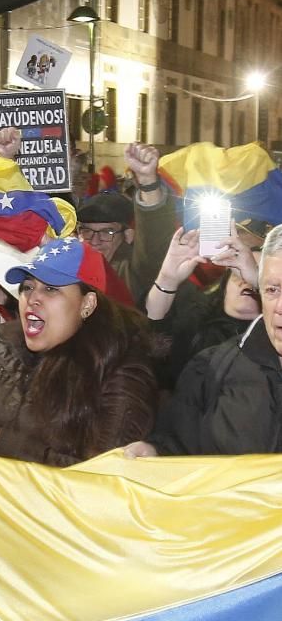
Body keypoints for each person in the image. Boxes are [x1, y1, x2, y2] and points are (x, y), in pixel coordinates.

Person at [0, 237, 157, 465]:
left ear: (87, 304)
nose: (32, 298)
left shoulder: (120, 368)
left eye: (50, 289)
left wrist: (5, 447)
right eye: (28, 287)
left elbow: (104, 472)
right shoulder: (8, 346)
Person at [127, 223, 282, 457]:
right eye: (273, 290)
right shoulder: (212, 367)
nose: (280, 306)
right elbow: (180, 443)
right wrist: (155, 452)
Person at [146, 225, 260, 390]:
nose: (245, 277)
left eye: (256, 270)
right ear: (224, 285)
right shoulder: (195, 322)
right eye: (237, 270)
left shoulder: (272, 339)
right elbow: (149, 343)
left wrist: (259, 282)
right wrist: (167, 278)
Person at [77, 143, 177, 304]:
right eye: (87, 231)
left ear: (128, 235)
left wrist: (148, 181)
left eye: (106, 232)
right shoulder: (70, 266)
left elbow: (153, 241)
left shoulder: (133, 271)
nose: (95, 241)